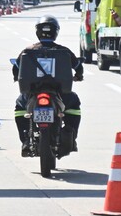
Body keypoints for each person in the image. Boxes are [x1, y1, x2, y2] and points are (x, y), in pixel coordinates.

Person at [12, 15, 83, 157]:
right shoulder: (64, 51)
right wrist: (78, 76)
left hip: (33, 93)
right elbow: (78, 66)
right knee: (74, 103)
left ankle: (26, 140)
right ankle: (71, 137)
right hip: (60, 93)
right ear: (56, 32)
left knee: (20, 105)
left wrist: (16, 77)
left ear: (37, 32)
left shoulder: (28, 51)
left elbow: (16, 68)